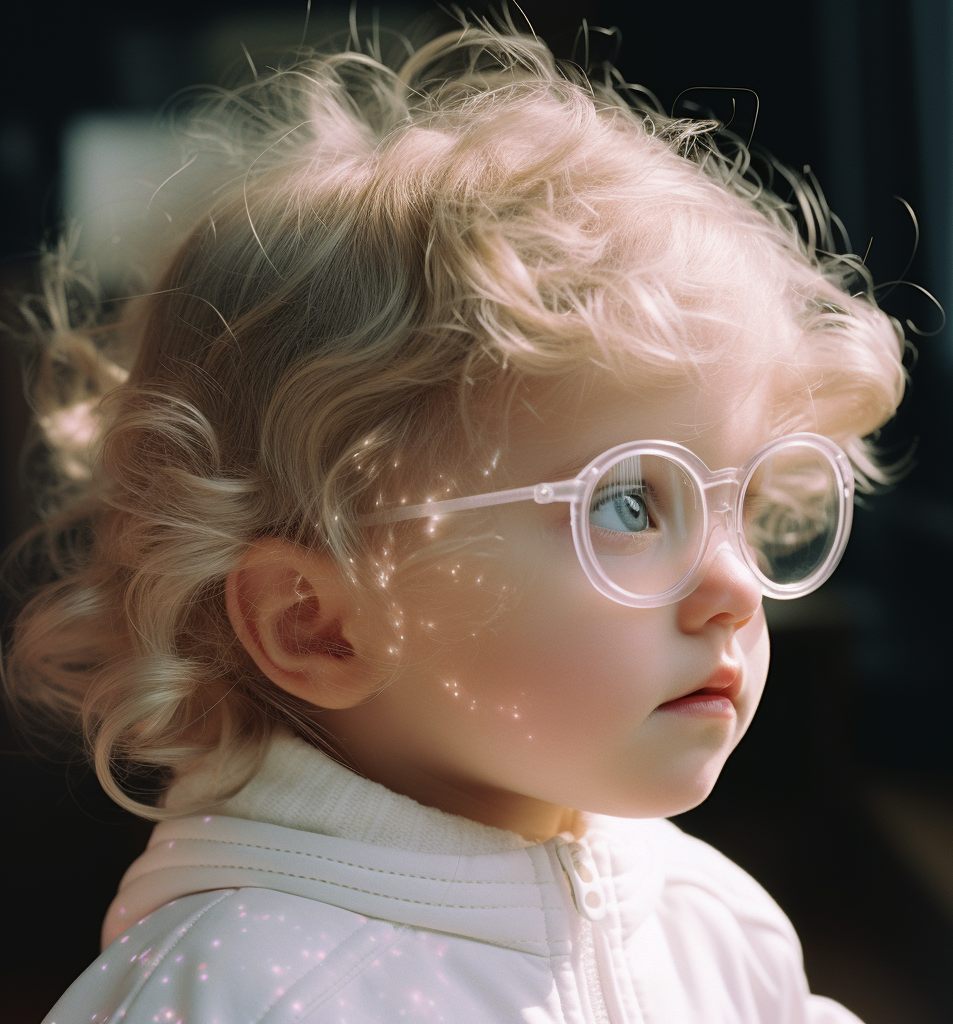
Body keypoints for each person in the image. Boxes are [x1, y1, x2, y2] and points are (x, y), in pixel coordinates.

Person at [4, 21, 906, 1024]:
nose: (735, 588)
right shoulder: (246, 989)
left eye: (740, 502)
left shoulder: (712, 925)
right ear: (320, 621)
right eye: (625, 504)